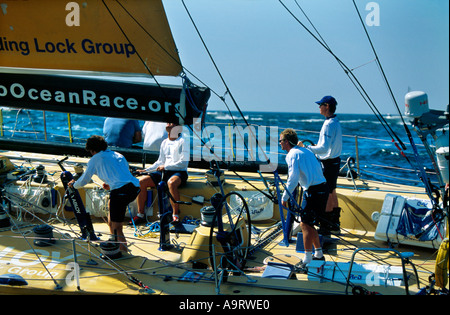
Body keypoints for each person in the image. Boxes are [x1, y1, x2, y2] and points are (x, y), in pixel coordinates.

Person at [68, 135, 140, 253]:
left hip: (121, 191)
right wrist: (110, 184)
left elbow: (84, 180)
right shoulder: (118, 155)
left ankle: (122, 251)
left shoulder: (95, 158)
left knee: (117, 227)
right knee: (112, 210)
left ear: (92, 150)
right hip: (134, 187)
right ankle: (113, 240)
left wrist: (74, 184)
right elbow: (122, 174)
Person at [280, 128, 329, 265]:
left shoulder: (291, 155)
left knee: (304, 224)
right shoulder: (307, 150)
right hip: (321, 188)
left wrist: (285, 197)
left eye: (281, 141)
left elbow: (293, 178)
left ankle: (307, 259)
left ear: (286, 142)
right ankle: (318, 253)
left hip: (313, 191)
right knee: (309, 223)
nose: (280, 143)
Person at [298, 95, 342, 236]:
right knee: (332, 190)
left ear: (327, 106)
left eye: (321, 105)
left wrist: (306, 148)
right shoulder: (335, 121)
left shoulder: (328, 124)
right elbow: (326, 146)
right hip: (335, 161)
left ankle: (326, 225)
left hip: (328, 163)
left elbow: (324, 148)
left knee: (327, 193)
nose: (319, 107)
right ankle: (335, 223)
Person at [132, 123, 189, 225]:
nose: (169, 124)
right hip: (164, 171)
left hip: (179, 172)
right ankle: (141, 214)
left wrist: (166, 167)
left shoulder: (183, 142)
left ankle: (175, 215)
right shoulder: (164, 142)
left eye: (172, 123)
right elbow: (159, 162)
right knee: (141, 182)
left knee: (171, 183)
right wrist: (145, 171)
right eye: (168, 122)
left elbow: (183, 163)